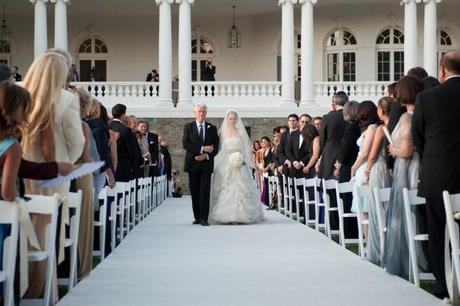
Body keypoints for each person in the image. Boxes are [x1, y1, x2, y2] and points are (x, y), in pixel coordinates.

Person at [412, 51, 460, 302]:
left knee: (438, 234)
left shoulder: (427, 97)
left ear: (442, 70)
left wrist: (430, 154)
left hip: (436, 175)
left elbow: (417, 135)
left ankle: (443, 288)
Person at [384, 75, 428, 281]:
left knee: (405, 212)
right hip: (416, 165)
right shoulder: (424, 113)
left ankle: (411, 258)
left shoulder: (406, 118)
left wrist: (393, 149)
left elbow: (407, 150)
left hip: (408, 167)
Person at [209, 110, 264, 224]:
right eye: (230, 118)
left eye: (234, 118)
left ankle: (240, 216)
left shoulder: (241, 133)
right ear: (227, 119)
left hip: (239, 163)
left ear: (237, 120)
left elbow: (246, 148)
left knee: (240, 189)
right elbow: (219, 149)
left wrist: (242, 158)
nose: (232, 120)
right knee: (226, 188)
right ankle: (226, 215)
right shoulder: (222, 133)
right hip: (226, 163)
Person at [365, 97, 392, 266]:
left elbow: (373, 155)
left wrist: (367, 171)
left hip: (378, 169)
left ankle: (377, 250)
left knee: (376, 210)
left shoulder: (381, 129)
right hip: (389, 170)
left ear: (382, 111)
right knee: (387, 209)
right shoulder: (396, 126)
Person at [182, 103, 219, 226]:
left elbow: (216, 147)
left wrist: (206, 155)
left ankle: (204, 218)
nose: (201, 113)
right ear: (195, 113)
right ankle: (197, 217)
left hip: (206, 165)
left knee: (204, 191)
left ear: (206, 113)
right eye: (199, 111)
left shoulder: (212, 128)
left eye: (203, 111)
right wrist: (202, 148)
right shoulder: (188, 127)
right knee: (195, 191)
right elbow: (186, 144)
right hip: (193, 163)